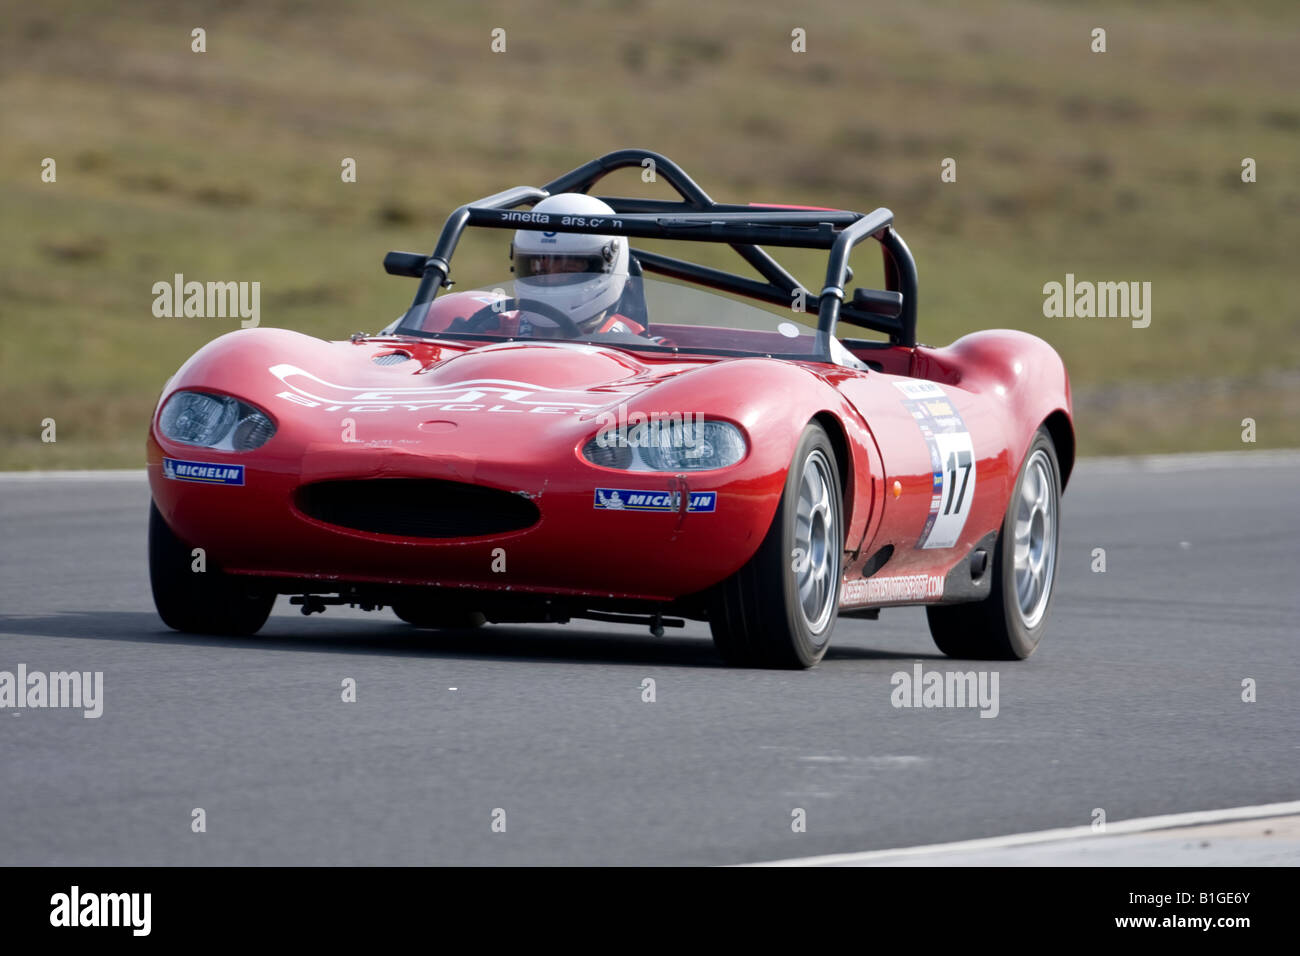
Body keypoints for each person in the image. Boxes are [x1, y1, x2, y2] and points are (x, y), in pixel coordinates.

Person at [508, 193, 647, 337]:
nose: (551, 279)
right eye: (540, 270)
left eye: (567, 270)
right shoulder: (498, 327)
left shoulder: (641, 349)